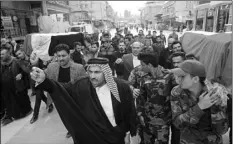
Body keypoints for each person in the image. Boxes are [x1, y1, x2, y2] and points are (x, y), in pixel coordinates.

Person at [30, 57, 137, 144]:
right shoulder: (81, 85)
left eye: (97, 72)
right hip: (92, 136)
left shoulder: (121, 87)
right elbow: (61, 89)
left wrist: (127, 134)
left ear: (106, 72)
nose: (92, 76)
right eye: (90, 72)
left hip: (115, 135)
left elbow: (128, 112)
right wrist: (45, 81)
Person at [170, 60, 229, 144]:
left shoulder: (214, 92)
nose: (178, 79)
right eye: (177, 75)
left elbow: (221, 130)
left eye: (182, 76)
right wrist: (199, 107)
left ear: (195, 79)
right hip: (188, 141)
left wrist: (215, 107)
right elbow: (177, 123)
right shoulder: (176, 92)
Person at [129, 52, 173, 144]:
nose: (140, 67)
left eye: (142, 65)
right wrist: (133, 89)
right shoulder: (139, 73)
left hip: (162, 120)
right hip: (145, 119)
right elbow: (128, 85)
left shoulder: (168, 75)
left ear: (149, 65)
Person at [1, 44, 32, 126]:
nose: (1, 56)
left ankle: (25, 113)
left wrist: (21, 74)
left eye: (3, 54)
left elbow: (27, 70)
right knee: (10, 103)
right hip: (6, 89)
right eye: (0, 54)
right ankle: (12, 116)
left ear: (8, 54)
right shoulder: (1, 63)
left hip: (17, 87)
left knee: (21, 101)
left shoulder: (16, 61)